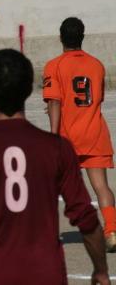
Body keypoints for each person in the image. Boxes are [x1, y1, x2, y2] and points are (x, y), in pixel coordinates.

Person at [0, 49, 109, 285]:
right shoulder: (58, 149)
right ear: (28, 90)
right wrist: (101, 270)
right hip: (46, 275)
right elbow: (86, 218)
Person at [43, 17, 116, 251]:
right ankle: (112, 231)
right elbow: (97, 99)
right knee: (101, 186)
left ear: (60, 38)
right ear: (82, 37)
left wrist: (53, 137)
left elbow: (54, 102)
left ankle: (44, 232)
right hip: (95, 133)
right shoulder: (97, 65)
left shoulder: (53, 65)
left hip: (68, 137)